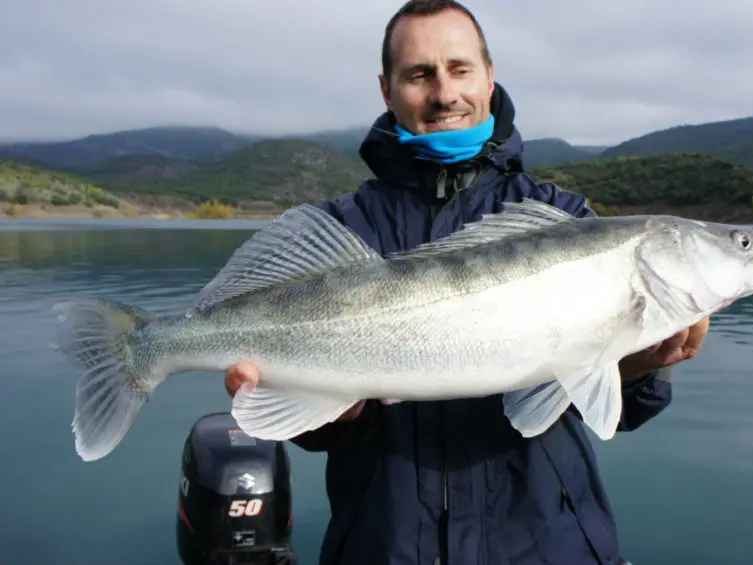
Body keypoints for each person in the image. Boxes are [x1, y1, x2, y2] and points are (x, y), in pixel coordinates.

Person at [225, 1, 710, 563]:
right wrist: (333, 407)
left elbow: (612, 413)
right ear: (387, 91)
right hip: (385, 547)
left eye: (460, 69)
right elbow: (316, 434)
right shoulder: (342, 229)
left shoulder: (566, 217)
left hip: (547, 546)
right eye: (418, 74)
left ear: (489, 75)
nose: (444, 93)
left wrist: (639, 369)